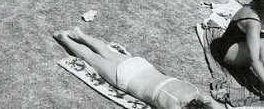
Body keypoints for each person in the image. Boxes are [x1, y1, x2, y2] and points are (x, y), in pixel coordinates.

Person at [55, 27, 224, 108]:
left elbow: (216, 105)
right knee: (90, 58)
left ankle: (81, 35)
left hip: (140, 65)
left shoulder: (195, 91)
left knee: (105, 50)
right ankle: (65, 39)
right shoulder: (174, 106)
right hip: (126, 78)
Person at [211, 0, 264, 87]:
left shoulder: (257, 6)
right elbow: (254, 60)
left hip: (239, 42)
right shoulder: (253, 21)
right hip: (228, 53)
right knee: (263, 45)